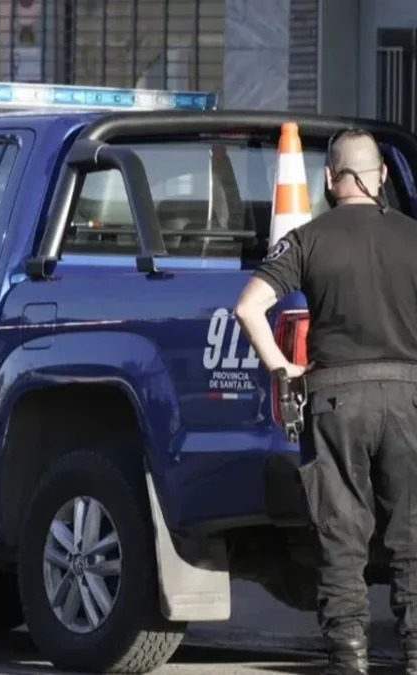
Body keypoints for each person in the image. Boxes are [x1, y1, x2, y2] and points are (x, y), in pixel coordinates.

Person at [235, 128, 417, 675]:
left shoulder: (309, 238)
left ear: (330, 181)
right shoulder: (414, 236)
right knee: (412, 536)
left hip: (336, 399)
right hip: (410, 400)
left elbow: (249, 308)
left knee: (342, 538)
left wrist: (281, 366)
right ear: (382, 176)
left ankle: (349, 661)